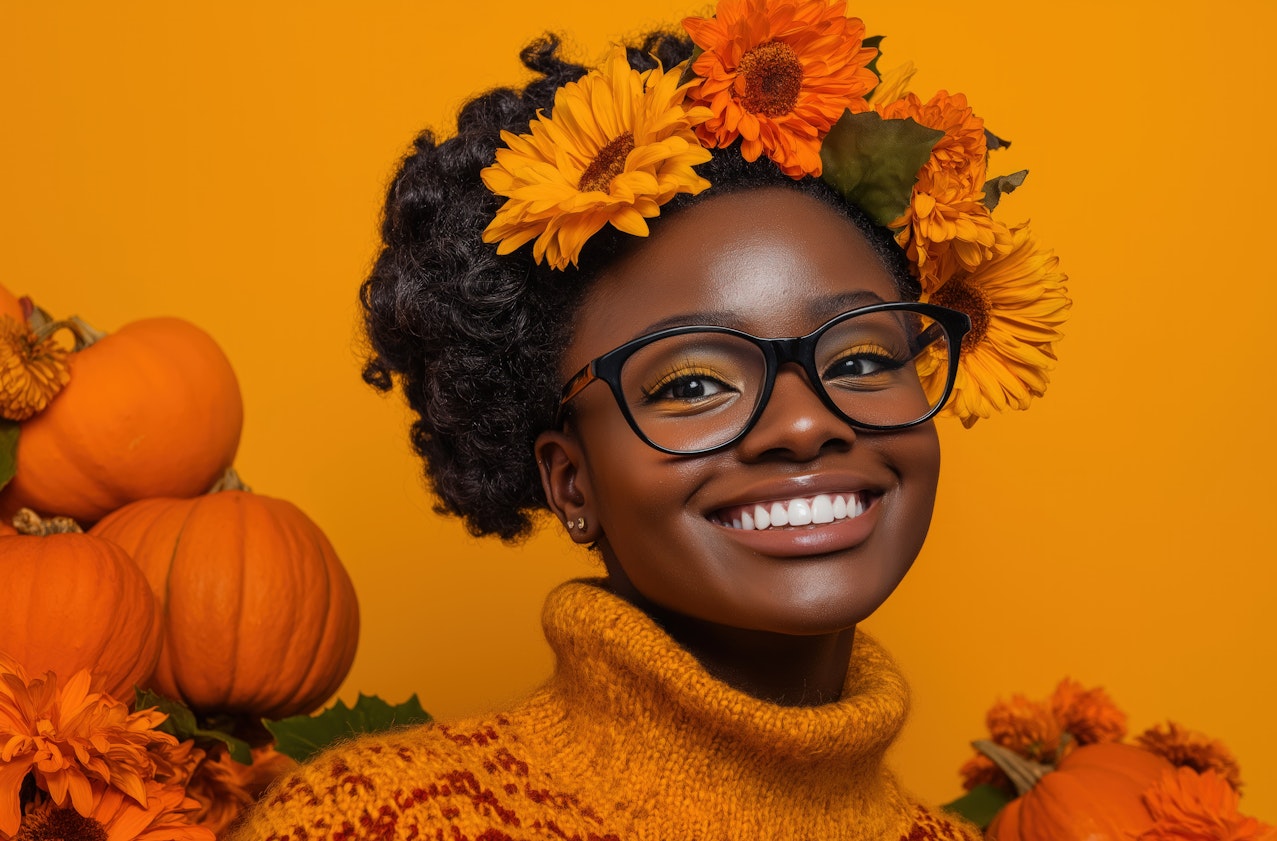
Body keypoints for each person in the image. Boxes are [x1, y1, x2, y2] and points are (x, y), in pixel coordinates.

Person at [230, 1, 1068, 837]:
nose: (806, 425)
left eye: (858, 360)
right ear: (571, 479)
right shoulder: (379, 824)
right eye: (696, 383)